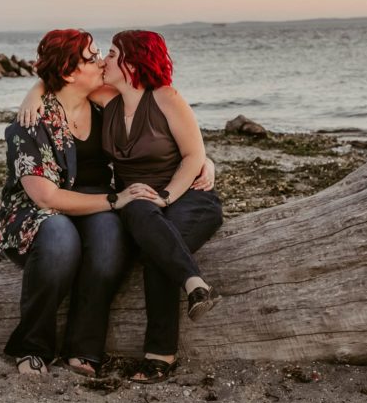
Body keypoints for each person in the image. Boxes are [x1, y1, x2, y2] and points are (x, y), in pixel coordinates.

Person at [20, 30, 223, 383]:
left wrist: (173, 192)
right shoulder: (107, 99)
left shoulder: (165, 97)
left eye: (111, 53)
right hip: (138, 200)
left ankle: (163, 349)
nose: (104, 60)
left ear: (132, 61)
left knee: (157, 245)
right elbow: (59, 81)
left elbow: (193, 155)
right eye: (101, 54)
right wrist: (32, 94)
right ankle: (190, 294)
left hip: (188, 197)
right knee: (145, 220)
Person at [0, 29, 150, 376]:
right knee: (62, 238)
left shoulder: (103, 100)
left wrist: (199, 159)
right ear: (68, 72)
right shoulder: (31, 123)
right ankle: (32, 347)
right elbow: (45, 196)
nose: (101, 61)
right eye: (91, 57)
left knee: (109, 241)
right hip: (35, 211)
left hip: (94, 202)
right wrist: (115, 200)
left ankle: (84, 348)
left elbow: (160, 119)